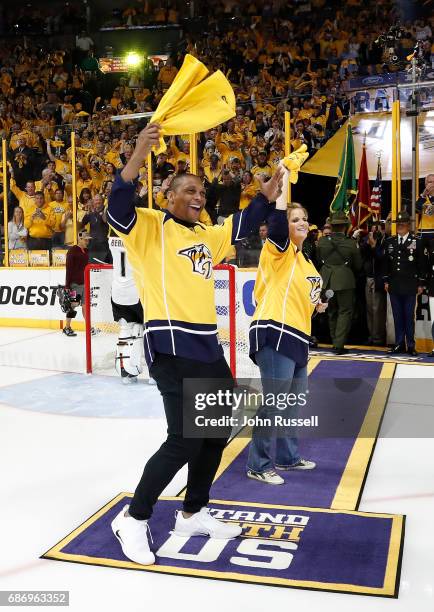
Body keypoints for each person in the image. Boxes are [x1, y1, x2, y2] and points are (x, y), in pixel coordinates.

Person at [108, 123, 283, 565]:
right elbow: (118, 201)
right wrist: (138, 153)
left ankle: (193, 510)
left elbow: (246, 221)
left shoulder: (207, 234)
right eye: (188, 189)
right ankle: (134, 517)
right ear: (169, 196)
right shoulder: (150, 226)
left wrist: (266, 193)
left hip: (208, 351)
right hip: (171, 348)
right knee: (184, 438)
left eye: (201, 190)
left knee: (216, 433)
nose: (197, 195)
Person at [246, 165, 326, 485]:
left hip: (297, 335)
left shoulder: (306, 262)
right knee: (275, 401)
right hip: (274, 330)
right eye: (296, 219)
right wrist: (281, 198)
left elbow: (306, 302)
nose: (302, 222)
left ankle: (288, 457)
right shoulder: (279, 250)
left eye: (304, 218)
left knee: (292, 402)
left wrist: (317, 305)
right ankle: (258, 463)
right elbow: (277, 228)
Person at [316, 211, 363, 355]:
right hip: (344, 282)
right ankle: (338, 344)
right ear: (345, 226)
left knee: (332, 311)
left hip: (327, 281)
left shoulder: (323, 241)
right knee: (345, 311)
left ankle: (335, 342)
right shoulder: (351, 244)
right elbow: (358, 265)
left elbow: (318, 260)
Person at [383, 210, 427, 355]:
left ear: (409, 225)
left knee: (409, 316)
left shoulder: (416, 242)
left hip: (410, 285)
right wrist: (386, 281)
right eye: (399, 224)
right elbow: (386, 264)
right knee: (397, 316)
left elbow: (422, 264)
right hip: (394, 284)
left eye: (403, 223)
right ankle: (399, 344)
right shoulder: (391, 241)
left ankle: (411, 345)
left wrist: (420, 283)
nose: (400, 226)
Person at [108, 233, 147, 384]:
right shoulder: (136, 238)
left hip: (117, 290)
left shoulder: (111, 240)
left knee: (124, 331)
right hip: (135, 290)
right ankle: (153, 375)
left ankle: (126, 373)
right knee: (144, 331)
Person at [62, 230, 91, 337]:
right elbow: (68, 269)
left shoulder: (86, 251)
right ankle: (67, 327)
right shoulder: (72, 251)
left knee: (85, 306)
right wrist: (67, 285)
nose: (87, 242)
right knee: (73, 305)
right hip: (75, 284)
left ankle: (89, 327)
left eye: (88, 240)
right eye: (86, 240)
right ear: (80, 239)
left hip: (84, 283)